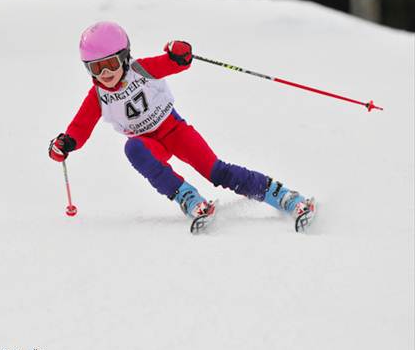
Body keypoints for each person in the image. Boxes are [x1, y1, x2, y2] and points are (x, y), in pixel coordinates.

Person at [48, 21, 315, 230]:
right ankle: (188, 198)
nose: (105, 74)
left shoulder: (142, 70)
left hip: (175, 131)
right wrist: (65, 144)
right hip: (149, 144)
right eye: (96, 68)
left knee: (217, 171)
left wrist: (179, 53)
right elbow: (79, 127)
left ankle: (284, 196)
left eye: (110, 64)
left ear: (125, 57)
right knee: (133, 148)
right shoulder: (98, 96)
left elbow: (177, 63)